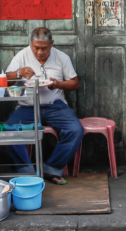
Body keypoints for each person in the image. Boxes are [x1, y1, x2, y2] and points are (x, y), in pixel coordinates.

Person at [5, 27, 82, 185]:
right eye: (36, 48)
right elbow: (5, 80)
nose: (40, 52)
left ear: (52, 44)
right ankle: (27, 172)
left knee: (75, 130)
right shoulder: (22, 56)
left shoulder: (62, 57)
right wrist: (19, 72)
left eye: (44, 48)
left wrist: (58, 84)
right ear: (31, 44)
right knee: (8, 130)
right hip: (27, 107)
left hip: (56, 107)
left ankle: (52, 168)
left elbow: (75, 83)